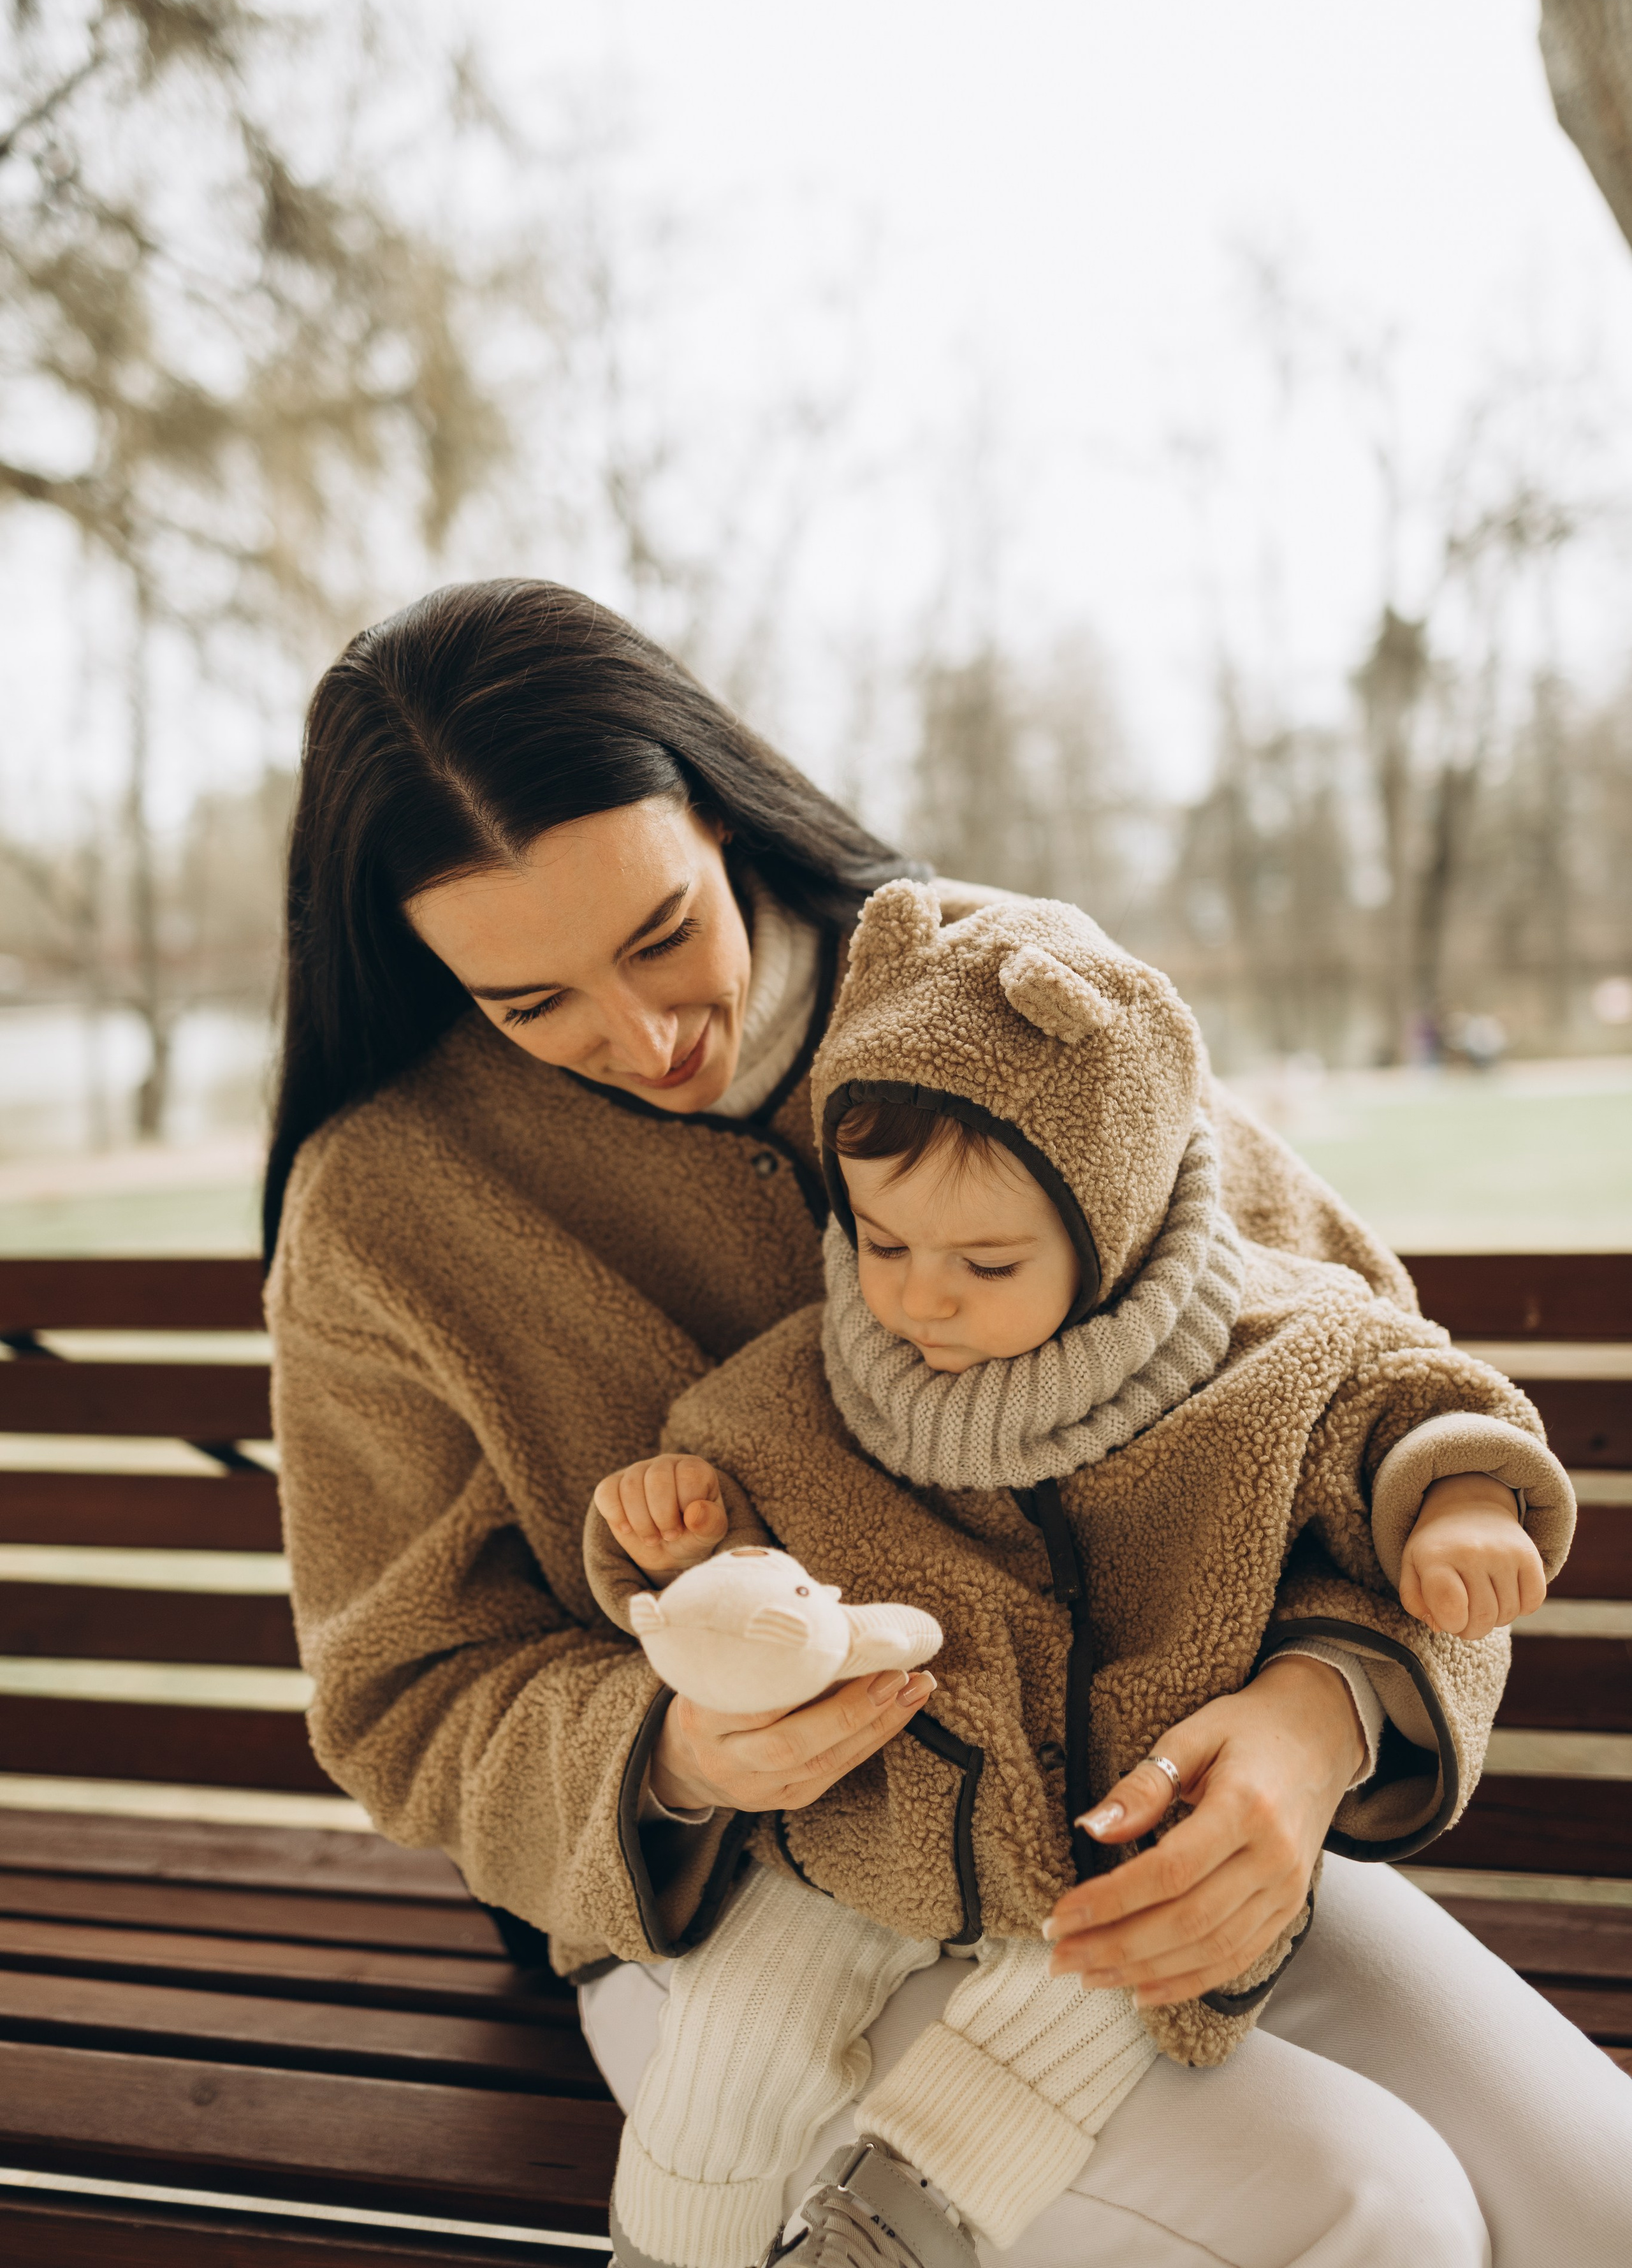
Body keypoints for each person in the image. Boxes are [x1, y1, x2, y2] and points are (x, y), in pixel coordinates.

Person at [267, 578, 1632, 2268]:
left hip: (1152, 1815)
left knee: (1602, 2202)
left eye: (660, 933)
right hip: (748, 1922)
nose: (645, 1037)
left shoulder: (1024, 1000)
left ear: (712, 804)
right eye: (528, 1005)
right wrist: (683, 1755)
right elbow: (404, 1696)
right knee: (1371, 2215)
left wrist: (1315, 1722)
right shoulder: (388, 1211)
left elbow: (1364, 1378)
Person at [583, 881, 1572, 2268]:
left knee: (1097, 1997)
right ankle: (669, 2243)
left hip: (1136, 1843)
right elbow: (727, 1529)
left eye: (984, 1261)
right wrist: (679, 1538)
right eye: (880, 1244)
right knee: (744, 2022)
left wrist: (1457, 1504)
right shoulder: (801, 1390)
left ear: (1106, 1230)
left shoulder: (1266, 1344)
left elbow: (1401, 1394)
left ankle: (892, 2229)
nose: (918, 1297)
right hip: (871, 1838)